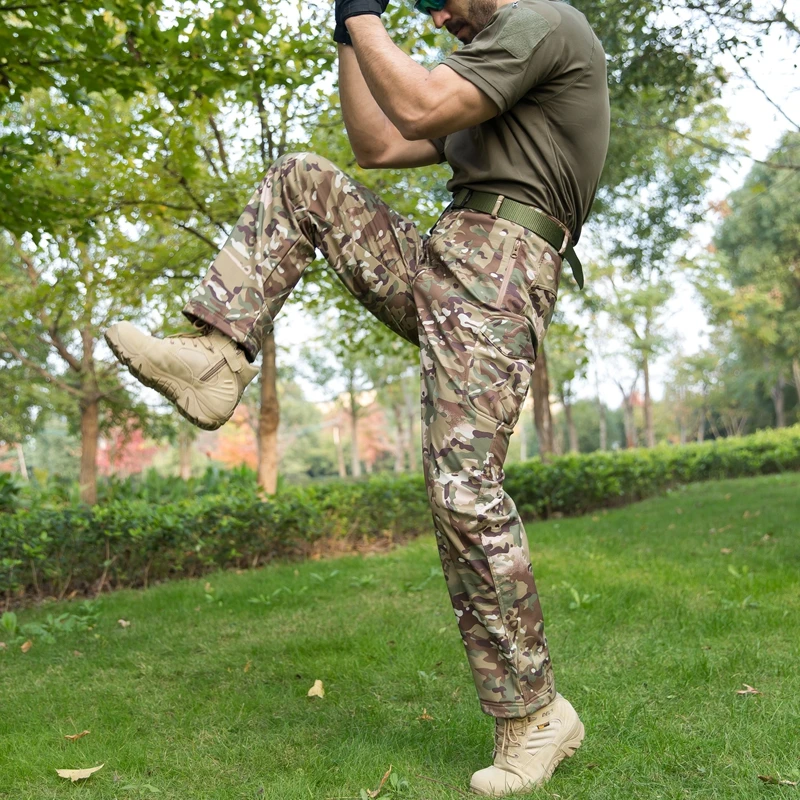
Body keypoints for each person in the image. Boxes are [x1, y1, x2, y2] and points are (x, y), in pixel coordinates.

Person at [105, 0, 610, 794]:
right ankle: (217, 354)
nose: (437, 17)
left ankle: (537, 716)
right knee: (303, 179)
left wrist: (370, 15)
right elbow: (377, 143)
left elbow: (415, 103)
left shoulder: (543, 23)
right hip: (446, 253)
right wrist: (349, 22)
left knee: (463, 494)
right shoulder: (484, 73)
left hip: (503, 274)